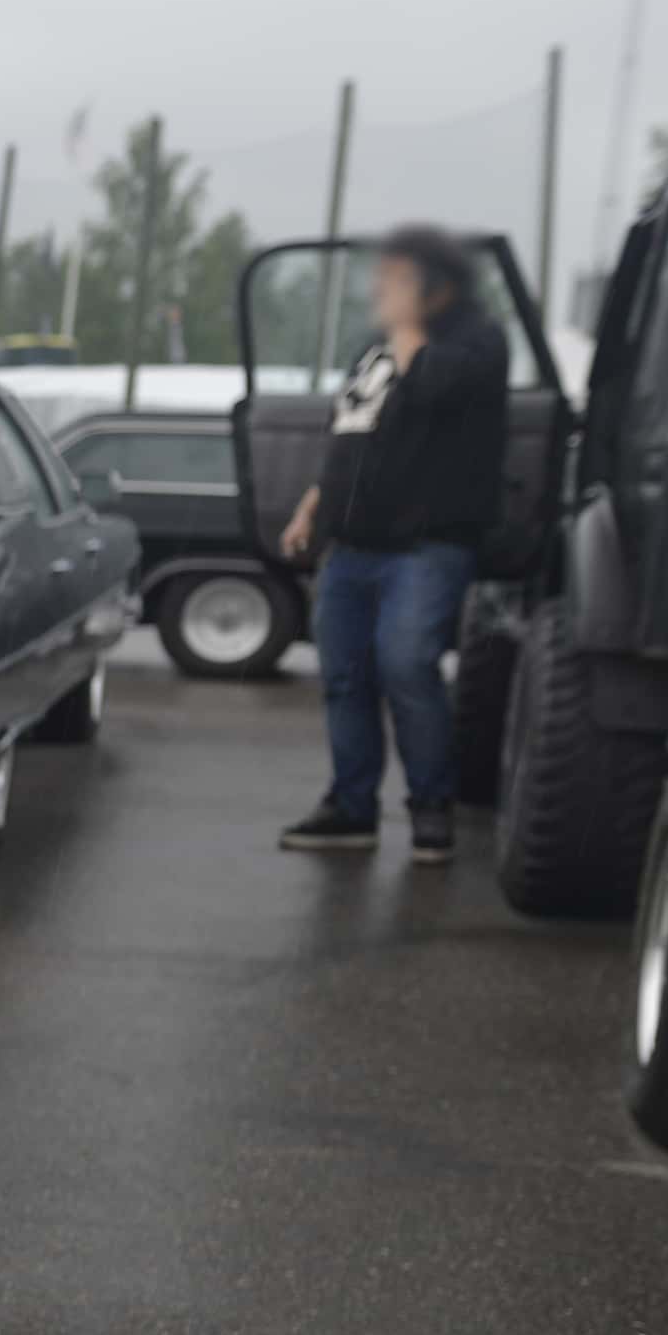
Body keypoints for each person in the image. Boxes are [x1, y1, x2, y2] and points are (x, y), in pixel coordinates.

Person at [277, 226, 509, 865]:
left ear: (438, 285)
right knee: (345, 678)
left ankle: (431, 810)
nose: (380, 290)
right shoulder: (375, 351)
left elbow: (432, 388)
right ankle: (351, 809)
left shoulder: (476, 345)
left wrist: (409, 328)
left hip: (425, 547)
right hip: (350, 548)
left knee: (407, 667)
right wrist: (311, 506)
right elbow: (350, 435)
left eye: (397, 280)